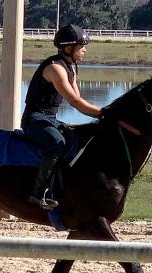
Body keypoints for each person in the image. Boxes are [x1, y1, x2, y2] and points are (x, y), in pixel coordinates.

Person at [21, 24, 102, 210]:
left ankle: (61, 189)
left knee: (75, 139)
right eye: (81, 47)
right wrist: (103, 113)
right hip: (34, 119)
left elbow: (79, 100)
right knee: (57, 143)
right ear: (68, 48)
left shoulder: (70, 68)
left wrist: (102, 113)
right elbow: (74, 101)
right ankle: (37, 193)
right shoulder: (55, 68)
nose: (85, 50)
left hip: (50, 118)